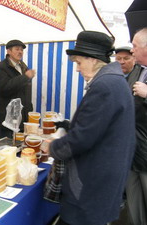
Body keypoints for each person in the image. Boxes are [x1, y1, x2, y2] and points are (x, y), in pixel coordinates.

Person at [41, 31, 136, 225]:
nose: (77, 69)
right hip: (105, 176)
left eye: (78, 62)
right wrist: (69, 125)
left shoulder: (105, 86)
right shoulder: (115, 81)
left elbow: (81, 139)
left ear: (92, 60)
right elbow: (100, 126)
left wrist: (52, 147)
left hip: (93, 182)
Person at [125, 27, 147, 225]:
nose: (132, 51)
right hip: (131, 150)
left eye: (134, 46)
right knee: (133, 204)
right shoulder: (136, 69)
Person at [0, 39, 36, 138]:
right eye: (17, 49)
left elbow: (25, 93)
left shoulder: (23, 67)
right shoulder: (1, 68)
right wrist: (25, 77)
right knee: (7, 149)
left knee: (22, 149)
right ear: (8, 51)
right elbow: (4, 89)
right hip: (8, 120)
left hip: (22, 119)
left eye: (21, 50)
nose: (20, 52)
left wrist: (29, 111)